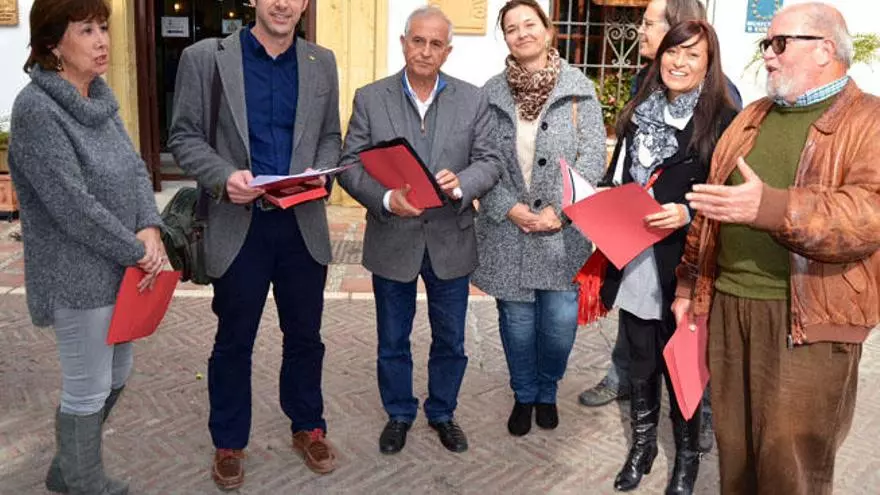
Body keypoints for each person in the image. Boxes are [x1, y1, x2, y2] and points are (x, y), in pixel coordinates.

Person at [674, 3, 880, 493]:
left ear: (825, 49)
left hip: (808, 320)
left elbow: (868, 215)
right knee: (736, 456)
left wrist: (771, 208)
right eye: (766, 43)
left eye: (779, 43)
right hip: (729, 308)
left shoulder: (870, 120)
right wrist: (687, 285)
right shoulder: (753, 116)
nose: (766, 54)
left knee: (790, 467)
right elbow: (711, 209)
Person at [168, 0, 342, 488]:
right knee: (233, 340)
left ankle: (308, 426)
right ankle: (229, 441)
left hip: (301, 224)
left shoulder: (321, 61)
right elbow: (184, 137)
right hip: (238, 224)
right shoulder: (206, 58)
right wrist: (224, 177)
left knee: (305, 337)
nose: (282, 3)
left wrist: (321, 173)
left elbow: (331, 135)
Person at [8, 0, 167, 493]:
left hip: (119, 269)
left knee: (117, 373)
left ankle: (66, 470)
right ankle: (84, 482)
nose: (101, 40)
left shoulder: (99, 96)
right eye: (86, 30)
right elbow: (71, 204)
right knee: (88, 386)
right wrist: (137, 250)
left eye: (103, 28)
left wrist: (149, 226)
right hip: (75, 275)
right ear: (53, 43)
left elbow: (136, 168)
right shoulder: (36, 109)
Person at [577, 0, 742, 455]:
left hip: (685, 263)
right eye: (673, 51)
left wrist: (687, 212)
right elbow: (619, 172)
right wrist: (599, 200)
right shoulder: (641, 104)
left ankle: (688, 452)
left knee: (684, 359)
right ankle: (643, 447)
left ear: (708, 63)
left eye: (692, 54)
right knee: (642, 357)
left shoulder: (724, 116)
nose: (678, 61)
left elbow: (729, 191)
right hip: (635, 254)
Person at [337, 6, 501, 456]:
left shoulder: (473, 99)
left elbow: (490, 161)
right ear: (403, 43)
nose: (425, 51)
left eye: (435, 44)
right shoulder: (371, 98)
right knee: (393, 339)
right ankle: (399, 413)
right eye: (418, 41)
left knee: (451, 339)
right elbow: (349, 164)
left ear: (447, 51)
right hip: (394, 235)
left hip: (451, 238)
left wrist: (461, 183)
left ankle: (443, 412)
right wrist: (386, 198)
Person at [472, 0, 606, 436]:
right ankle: (525, 394)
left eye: (530, 24)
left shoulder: (579, 90)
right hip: (507, 231)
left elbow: (593, 156)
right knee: (517, 323)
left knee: (559, 324)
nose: (522, 33)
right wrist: (508, 207)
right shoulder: (489, 94)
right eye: (511, 28)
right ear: (505, 39)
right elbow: (480, 158)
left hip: (561, 235)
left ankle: (548, 389)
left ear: (548, 30)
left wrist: (560, 212)